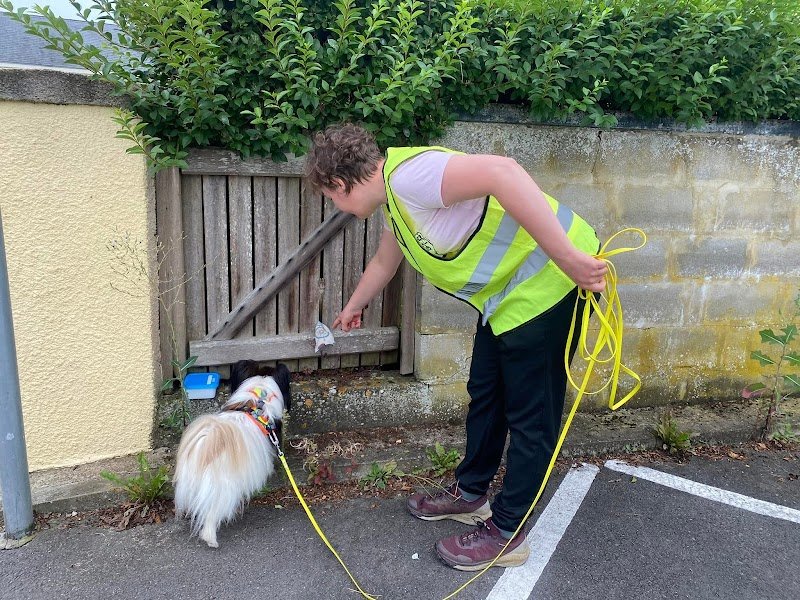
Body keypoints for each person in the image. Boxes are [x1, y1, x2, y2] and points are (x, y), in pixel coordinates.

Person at [305, 123, 606, 571]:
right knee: (486, 393)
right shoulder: (396, 202)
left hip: (553, 282)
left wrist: (569, 259)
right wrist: (354, 306)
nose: (336, 206)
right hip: (509, 299)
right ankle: (471, 494)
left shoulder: (411, 177)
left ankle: (507, 533)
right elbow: (386, 261)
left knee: (531, 415)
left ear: (339, 182)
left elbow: (504, 172)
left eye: (331, 197)